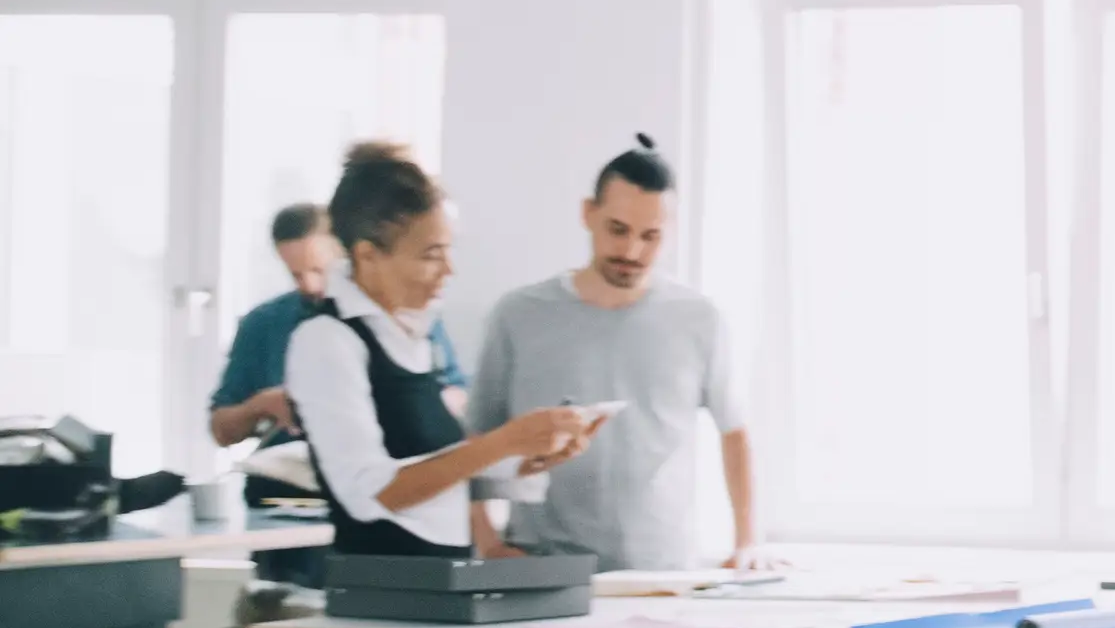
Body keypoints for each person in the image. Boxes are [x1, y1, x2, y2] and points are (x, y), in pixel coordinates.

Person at [287, 143, 595, 559]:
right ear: (367, 256)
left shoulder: (413, 336)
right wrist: (502, 443)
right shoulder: (326, 341)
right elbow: (372, 493)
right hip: (383, 596)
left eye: (449, 251)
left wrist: (529, 455)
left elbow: (437, 475)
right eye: (432, 255)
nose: (449, 271)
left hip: (435, 583)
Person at [468, 137, 761, 572]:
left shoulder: (699, 319)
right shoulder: (517, 315)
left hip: (660, 572)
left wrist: (747, 544)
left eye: (651, 236)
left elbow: (734, 432)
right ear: (589, 214)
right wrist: (486, 541)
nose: (632, 252)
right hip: (540, 568)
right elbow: (474, 439)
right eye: (618, 230)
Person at [210, 201, 465, 447]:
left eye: (318, 270)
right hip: (286, 481)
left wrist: (420, 408)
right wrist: (261, 405)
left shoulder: (405, 312)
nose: (309, 285)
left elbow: (461, 395)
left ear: (349, 255)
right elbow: (220, 431)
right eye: (296, 274)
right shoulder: (262, 324)